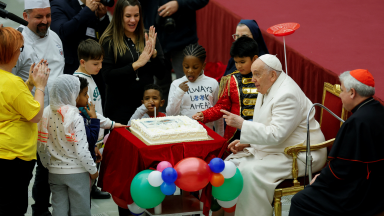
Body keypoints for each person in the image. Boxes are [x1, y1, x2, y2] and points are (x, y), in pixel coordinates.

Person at [220, 54, 327, 215]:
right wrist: (248, 142)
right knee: (234, 165)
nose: (252, 78)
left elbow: (277, 134)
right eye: (253, 73)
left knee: (250, 173)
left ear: (272, 75)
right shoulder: (269, 84)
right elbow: (268, 124)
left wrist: (242, 124)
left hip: (302, 153)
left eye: (257, 74)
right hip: (281, 148)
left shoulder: (286, 95)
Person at [289, 69, 384, 216]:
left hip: (359, 195)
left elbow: (340, 170)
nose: (340, 95)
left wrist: (320, 179)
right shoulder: (379, 110)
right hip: (378, 188)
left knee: (301, 200)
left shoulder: (356, 123)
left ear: (352, 93)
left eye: (342, 90)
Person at [13, 1, 65, 214]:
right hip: (26, 119)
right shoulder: (17, 41)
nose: (45, 21)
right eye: (39, 17)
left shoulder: (54, 36)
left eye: (48, 15)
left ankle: (41, 208)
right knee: (24, 171)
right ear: (26, 16)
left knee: (47, 168)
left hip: (55, 116)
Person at [0, 27, 50, 216]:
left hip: (4, 153)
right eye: (20, 49)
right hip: (15, 157)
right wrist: (40, 86)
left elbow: (15, 103)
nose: (21, 53)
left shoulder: (9, 81)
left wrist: (28, 83)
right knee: (13, 207)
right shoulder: (12, 82)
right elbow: (35, 114)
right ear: (12, 52)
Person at [37, 75, 98, 216]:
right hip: (77, 172)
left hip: (55, 172)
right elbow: (82, 151)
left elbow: (41, 145)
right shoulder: (74, 116)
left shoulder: (46, 112)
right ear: (73, 94)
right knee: (80, 211)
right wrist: (93, 170)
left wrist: (47, 164)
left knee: (59, 211)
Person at [99, 0, 165, 126]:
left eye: (136, 15)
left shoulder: (148, 37)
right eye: (128, 16)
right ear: (119, 17)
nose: (133, 20)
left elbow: (161, 73)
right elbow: (107, 76)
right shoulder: (108, 40)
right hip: (119, 108)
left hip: (146, 107)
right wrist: (137, 64)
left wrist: (154, 54)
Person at [74, 39, 126, 198]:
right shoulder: (79, 81)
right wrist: (112, 124)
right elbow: (89, 112)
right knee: (86, 176)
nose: (100, 67)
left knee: (95, 165)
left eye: (101, 62)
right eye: (96, 63)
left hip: (96, 134)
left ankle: (92, 190)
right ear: (83, 62)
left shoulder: (89, 76)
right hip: (88, 133)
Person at [192, 37, 259, 153]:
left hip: (260, 131)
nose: (238, 66)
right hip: (236, 133)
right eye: (236, 62)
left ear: (254, 59)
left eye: (242, 62)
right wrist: (205, 115)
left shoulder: (264, 78)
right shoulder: (231, 80)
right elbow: (222, 106)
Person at [140, 0, 209, 112]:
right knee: (160, 87)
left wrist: (179, 4)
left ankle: (190, 123)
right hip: (155, 38)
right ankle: (162, 122)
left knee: (189, 84)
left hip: (184, 38)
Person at [50, 0, 110, 105]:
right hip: (72, 71)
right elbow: (62, 32)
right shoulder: (60, 3)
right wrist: (87, 11)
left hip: (96, 74)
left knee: (98, 113)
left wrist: (102, 18)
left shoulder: (95, 7)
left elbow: (106, 40)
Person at [166, 43, 223, 136]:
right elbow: (171, 114)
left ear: (203, 66)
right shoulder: (176, 84)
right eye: (186, 66)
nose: (190, 71)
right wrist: (179, 93)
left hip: (208, 135)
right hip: (185, 135)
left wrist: (220, 137)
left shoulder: (213, 83)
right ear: (182, 64)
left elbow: (218, 113)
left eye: (195, 67)